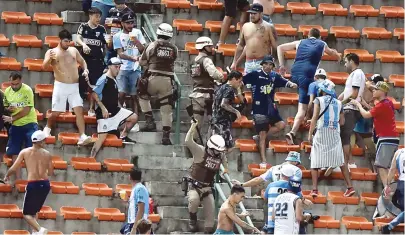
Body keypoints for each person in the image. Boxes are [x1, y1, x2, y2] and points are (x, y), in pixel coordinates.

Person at [277, 28, 341, 145]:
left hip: (295, 73)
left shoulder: (299, 42)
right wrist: (338, 56)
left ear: (308, 36)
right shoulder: (322, 44)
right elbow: (332, 53)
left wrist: (281, 65)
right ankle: (293, 132)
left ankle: (307, 119)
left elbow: (280, 47)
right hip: (308, 74)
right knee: (304, 107)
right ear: (319, 37)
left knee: (310, 96)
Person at [242, 55, 297, 163]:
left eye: (270, 64)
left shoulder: (274, 75)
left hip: (270, 107)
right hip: (259, 108)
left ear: (272, 66)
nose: (268, 66)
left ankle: (260, 136)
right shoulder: (255, 74)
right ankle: (263, 161)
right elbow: (241, 81)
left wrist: (291, 84)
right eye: (266, 64)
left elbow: (285, 81)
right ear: (262, 64)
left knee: (281, 125)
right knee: (263, 135)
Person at [42, 29, 92, 145]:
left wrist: (86, 70)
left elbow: (83, 61)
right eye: (65, 41)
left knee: (79, 110)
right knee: (56, 112)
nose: (68, 43)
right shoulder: (52, 52)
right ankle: (47, 129)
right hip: (60, 85)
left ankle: (82, 135)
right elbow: (44, 67)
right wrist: (50, 59)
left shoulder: (73, 50)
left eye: (69, 41)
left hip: (74, 85)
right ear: (60, 40)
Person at [308, 80, 354, 197]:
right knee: (341, 161)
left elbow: (314, 118)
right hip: (334, 133)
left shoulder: (318, 100)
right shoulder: (339, 103)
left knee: (315, 161)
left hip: (321, 132)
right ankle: (349, 187)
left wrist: (309, 134)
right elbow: (342, 122)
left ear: (322, 90)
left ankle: (314, 189)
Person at [3, 130, 53, 234]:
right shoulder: (47, 154)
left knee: (26, 213)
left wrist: (7, 175)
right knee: (34, 210)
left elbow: (14, 167)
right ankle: (35, 232)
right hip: (45, 184)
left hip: (33, 184)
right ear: (41, 141)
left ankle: (40, 229)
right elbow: (51, 172)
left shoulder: (25, 152)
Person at [351, 81, 399, 186]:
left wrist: (358, 105)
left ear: (381, 92)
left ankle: (387, 190)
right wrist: (364, 103)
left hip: (386, 138)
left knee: (381, 166)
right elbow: (375, 111)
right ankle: (389, 188)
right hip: (393, 138)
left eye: (376, 90)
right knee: (386, 167)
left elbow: (366, 115)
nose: (373, 91)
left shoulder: (381, 105)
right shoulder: (388, 103)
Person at [185, 120, 229, 233]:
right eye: (217, 150)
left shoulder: (221, 155)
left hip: (208, 188)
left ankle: (208, 232)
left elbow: (224, 162)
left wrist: (225, 170)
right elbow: (188, 141)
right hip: (194, 185)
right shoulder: (200, 151)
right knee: (194, 200)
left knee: (211, 219)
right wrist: (193, 126)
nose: (219, 153)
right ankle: (192, 219)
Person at [138, 23, 178, 145]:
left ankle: (150, 121)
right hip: (167, 81)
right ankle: (166, 136)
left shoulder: (152, 45)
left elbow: (142, 62)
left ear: (158, 33)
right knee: (166, 108)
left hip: (152, 79)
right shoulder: (174, 48)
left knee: (142, 94)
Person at [90, 57, 138, 158]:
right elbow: (94, 94)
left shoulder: (114, 79)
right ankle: (91, 158)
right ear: (110, 67)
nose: (118, 69)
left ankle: (122, 135)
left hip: (115, 110)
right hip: (105, 114)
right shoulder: (104, 78)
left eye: (119, 67)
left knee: (133, 117)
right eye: (116, 67)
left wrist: (121, 108)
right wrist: (103, 108)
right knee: (100, 140)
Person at [3, 72, 38, 179]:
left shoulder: (27, 90)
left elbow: (27, 110)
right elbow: (5, 107)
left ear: (21, 81)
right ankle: (18, 180)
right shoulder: (7, 92)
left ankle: (30, 179)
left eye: (16, 84)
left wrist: (12, 118)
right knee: (14, 152)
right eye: (12, 84)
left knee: (31, 153)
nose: (14, 86)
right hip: (15, 126)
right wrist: (8, 109)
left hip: (29, 124)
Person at [189, 36, 224, 142]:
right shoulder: (206, 60)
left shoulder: (194, 60)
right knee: (212, 122)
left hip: (196, 95)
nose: (212, 48)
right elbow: (214, 73)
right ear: (204, 47)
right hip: (207, 96)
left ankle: (191, 144)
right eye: (210, 46)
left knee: (196, 124)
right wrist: (222, 77)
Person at [76, 7, 109, 117]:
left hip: (97, 62)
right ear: (90, 16)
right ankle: (78, 106)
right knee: (82, 84)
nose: (98, 18)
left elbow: (106, 46)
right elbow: (77, 38)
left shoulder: (102, 29)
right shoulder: (83, 27)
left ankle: (91, 109)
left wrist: (110, 41)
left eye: (99, 16)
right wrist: (84, 44)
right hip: (85, 61)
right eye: (96, 16)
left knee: (95, 86)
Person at [113, 13, 146, 116]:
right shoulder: (117, 36)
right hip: (122, 68)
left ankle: (135, 117)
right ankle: (118, 116)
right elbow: (120, 53)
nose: (130, 25)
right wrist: (132, 58)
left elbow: (143, 51)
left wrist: (137, 42)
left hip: (135, 68)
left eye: (132, 23)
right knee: (121, 93)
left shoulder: (138, 32)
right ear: (122, 23)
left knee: (134, 95)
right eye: (128, 23)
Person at [337, 53, 366, 169]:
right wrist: (335, 101)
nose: (345, 65)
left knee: (345, 136)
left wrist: (340, 104)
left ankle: (348, 163)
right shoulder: (353, 74)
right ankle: (346, 162)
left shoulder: (358, 74)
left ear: (351, 61)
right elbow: (345, 93)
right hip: (348, 108)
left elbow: (354, 94)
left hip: (351, 109)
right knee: (343, 136)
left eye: (345, 62)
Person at [231, 3, 277, 74]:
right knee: (248, 84)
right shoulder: (245, 26)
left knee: (263, 84)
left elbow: (274, 47)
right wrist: (234, 62)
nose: (252, 15)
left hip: (263, 63)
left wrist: (273, 62)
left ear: (261, 14)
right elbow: (240, 46)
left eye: (255, 14)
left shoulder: (269, 27)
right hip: (248, 62)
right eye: (251, 13)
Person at [263, 165, 309, 234]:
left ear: (281, 174)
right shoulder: (295, 193)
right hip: (289, 226)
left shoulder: (272, 187)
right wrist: (306, 217)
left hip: (274, 225)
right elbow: (299, 215)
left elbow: (265, 200)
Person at [351, 74, 383, 166]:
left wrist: (364, 104)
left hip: (369, 124)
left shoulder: (379, 97)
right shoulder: (367, 89)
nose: (371, 83)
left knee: (372, 150)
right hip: (360, 121)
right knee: (352, 137)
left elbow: (373, 112)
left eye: (373, 82)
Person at [211, 71, 244, 151]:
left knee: (216, 146)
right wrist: (236, 111)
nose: (239, 84)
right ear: (233, 79)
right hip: (223, 122)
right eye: (239, 81)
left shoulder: (221, 88)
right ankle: (222, 162)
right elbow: (224, 104)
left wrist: (239, 90)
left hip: (215, 120)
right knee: (228, 147)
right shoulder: (229, 89)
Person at [231, 151, 302, 187]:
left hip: (274, 197)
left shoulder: (274, 168)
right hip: (289, 198)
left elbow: (258, 179)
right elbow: (295, 186)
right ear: (296, 162)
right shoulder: (297, 170)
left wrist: (242, 184)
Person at [381, 148, 405, 234]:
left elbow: (392, 170)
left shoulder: (399, 152)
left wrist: (387, 185)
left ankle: (391, 223)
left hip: (401, 184)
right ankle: (390, 225)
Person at [120, 168, 150, 235]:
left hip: (139, 225)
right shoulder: (136, 189)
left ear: (130, 177)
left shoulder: (139, 188)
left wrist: (134, 228)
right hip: (135, 223)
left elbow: (141, 209)